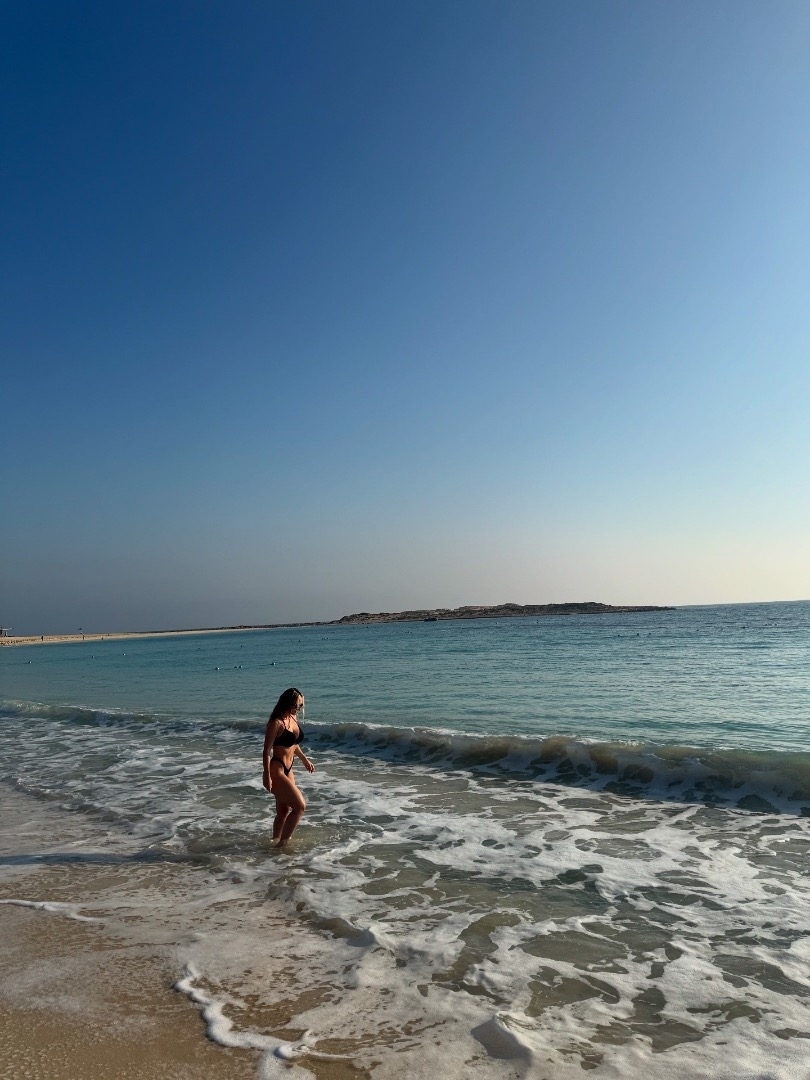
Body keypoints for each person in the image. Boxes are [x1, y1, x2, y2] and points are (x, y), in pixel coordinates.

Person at [262, 687, 314, 845]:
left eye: (301, 705)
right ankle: (282, 845)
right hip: (277, 769)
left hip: (289, 768)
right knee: (300, 807)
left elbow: (293, 744)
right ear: (289, 703)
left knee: (283, 812)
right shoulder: (276, 723)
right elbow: (266, 751)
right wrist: (267, 775)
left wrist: (304, 760)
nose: (300, 708)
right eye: (298, 705)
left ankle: (275, 841)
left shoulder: (292, 717)